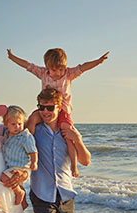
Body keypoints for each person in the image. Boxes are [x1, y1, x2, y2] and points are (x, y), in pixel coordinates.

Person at [7, 47, 108, 178]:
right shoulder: (43, 74)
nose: (59, 73)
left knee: (67, 134)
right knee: (32, 118)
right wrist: (12, 57)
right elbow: (27, 65)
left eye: (61, 69)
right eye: (54, 70)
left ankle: (73, 165)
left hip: (64, 111)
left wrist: (99, 61)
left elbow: (83, 67)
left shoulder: (68, 74)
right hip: (41, 191)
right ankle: (28, 147)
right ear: (47, 67)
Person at [0, 106, 38, 208]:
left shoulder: (25, 136)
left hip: (20, 166)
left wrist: (34, 163)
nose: (17, 127)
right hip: (11, 165)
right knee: (16, 183)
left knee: (3, 177)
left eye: (20, 124)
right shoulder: (6, 134)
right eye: (13, 124)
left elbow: (33, 151)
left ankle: (19, 193)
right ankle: (23, 202)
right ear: (6, 125)